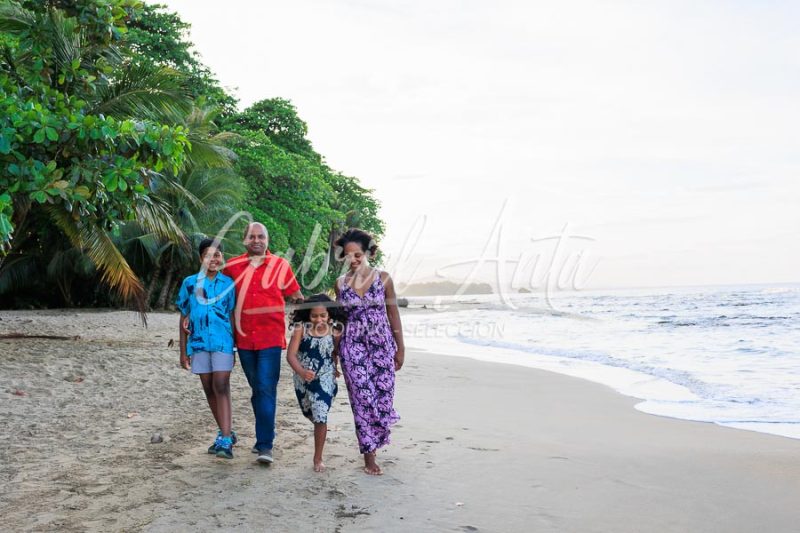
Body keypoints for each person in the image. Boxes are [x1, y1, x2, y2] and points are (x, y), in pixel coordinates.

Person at [223, 222, 304, 464]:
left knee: (265, 389)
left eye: (261, 237)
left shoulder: (281, 265)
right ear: (244, 240)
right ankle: (263, 437)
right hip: (244, 339)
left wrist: (315, 320)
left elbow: (296, 297)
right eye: (252, 237)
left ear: (267, 240)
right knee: (258, 389)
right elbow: (221, 298)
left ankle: (265, 446)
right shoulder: (232, 267)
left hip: (271, 339)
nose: (256, 240)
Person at [333, 228, 405, 475]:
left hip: (382, 345)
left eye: (358, 255)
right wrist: (333, 355)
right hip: (352, 347)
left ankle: (377, 437)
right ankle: (369, 456)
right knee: (362, 399)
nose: (353, 260)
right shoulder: (341, 284)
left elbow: (393, 313)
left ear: (368, 254)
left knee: (383, 397)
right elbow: (339, 322)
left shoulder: (383, 279)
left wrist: (400, 348)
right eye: (348, 255)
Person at [177, 238, 237, 459]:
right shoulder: (190, 283)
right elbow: (183, 316)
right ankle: (225, 429)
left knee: (221, 384)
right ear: (201, 258)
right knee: (209, 388)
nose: (213, 259)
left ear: (223, 257)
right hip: (199, 344)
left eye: (217, 255)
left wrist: (235, 348)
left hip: (223, 342)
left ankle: (226, 439)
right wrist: (183, 351)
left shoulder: (228, 284)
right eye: (208, 255)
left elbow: (232, 316)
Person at [286, 294, 345, 472]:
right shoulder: (300, 329)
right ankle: (322, 427)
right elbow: (290, 356)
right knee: (308, 412)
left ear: (329, 315)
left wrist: (335, 368)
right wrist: (302, 372)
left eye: (323, 316)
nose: (319, 319)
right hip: (302, 379)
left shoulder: (335, 330)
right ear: (307, 315)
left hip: (325, 379)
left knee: (320, 415)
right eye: (314, 316)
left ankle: (317, 458)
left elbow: (334, 352)